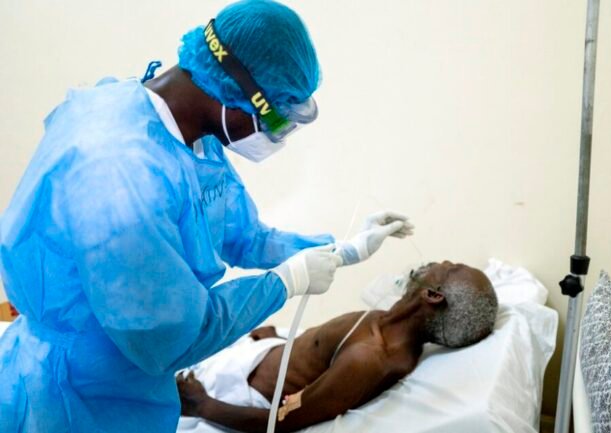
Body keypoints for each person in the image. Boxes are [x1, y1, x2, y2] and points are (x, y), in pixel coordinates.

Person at [0, 1, 413, 432]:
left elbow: (244, 236)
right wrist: (284, 283)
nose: (275, 138)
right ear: (242, 98)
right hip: (74, 397)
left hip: (127, 383)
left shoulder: (190, 132)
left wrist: (344, 249)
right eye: (276, 121)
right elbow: (172, 338)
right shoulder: (122, 175)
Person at [176, 261, 499, 433]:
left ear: (433, 295)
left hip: (233, 391)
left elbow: (284, 421)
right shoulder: (384, 322)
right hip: (258, 354)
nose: (441, 261)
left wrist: (203, 406)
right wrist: (280, 340)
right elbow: (321, 352)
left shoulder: (370, 356)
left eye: (450, 267)